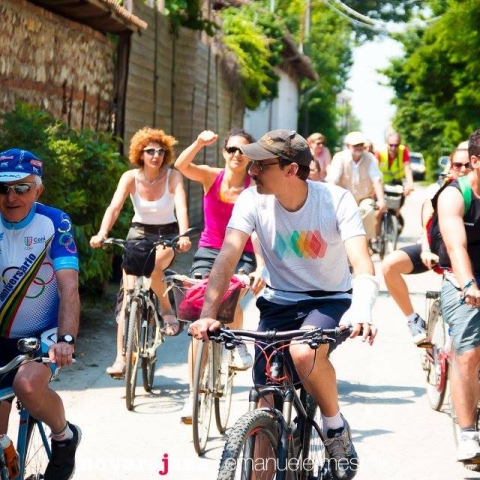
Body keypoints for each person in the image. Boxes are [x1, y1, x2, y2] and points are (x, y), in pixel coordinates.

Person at [188, 129, 379, 480]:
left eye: (261, 164)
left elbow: (363, 265)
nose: (251, 170)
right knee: (265, 400)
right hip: (277, 301)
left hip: (329, 300)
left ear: (291, 170)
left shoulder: (335, 201)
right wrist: (208, 315)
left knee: (304, 353)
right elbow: (226, 258)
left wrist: (362, 309)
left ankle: (335, 429)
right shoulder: (251, 200)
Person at [173, 129, 265, 423]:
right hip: (210, 251)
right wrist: (199, 142)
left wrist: (261, 267)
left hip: (244, 252)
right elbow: (181, 167)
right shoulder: (211, 177)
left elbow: (261, 230)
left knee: (232, 291)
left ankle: (236, 341)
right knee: (200, 322)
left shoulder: (256, 187)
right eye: (232, 150)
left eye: (244, 151)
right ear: (225, 152)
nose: (237, 155)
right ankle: (192, 396)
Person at [0, 149, 81, 480]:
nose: (10, 197)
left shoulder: (54, 221)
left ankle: (64, 437)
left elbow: (69, 288)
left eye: (21, 188)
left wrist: (65, 340)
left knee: (27, 385)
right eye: (3, 188)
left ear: (38, 190)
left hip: (41, 335)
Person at [90, 127, 191, 377]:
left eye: (160, 151)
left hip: (166, 235)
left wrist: (185, 235)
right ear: (140, 154)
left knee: (155, 266)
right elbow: (114, 208)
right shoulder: (130, 177)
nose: (155, 155)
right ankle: (121, 359)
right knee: (128, 298)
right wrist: (102, 233)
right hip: (137, 235)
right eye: (150, 151)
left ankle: (167, 310)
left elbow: (181, 206)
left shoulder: (173, 177)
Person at [382, 145, 471, 345]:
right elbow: (426, 225)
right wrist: (426, 250)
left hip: (465, 257)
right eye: (458, 165)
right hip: (436, 251)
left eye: (468, 165)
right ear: (450, 166)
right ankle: (413, 321)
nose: (463, 169)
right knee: (389, 265)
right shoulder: (438, 189)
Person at [437, 129, 480, 463]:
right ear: (475, 162)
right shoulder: (454, 195)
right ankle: (467, 433)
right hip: (461, 279)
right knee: (469, 352)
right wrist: (469, 285)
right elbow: (456, 246)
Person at [326, 131, 386, 246]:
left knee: (368, 210)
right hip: (344, 198)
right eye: (355, 145)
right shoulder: (340, 158)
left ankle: (365, 242)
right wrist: (330, 199)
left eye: (361, 145)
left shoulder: (370, 158)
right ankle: (345, 244)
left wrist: (381, 200)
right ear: (348, 146)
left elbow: (376, 180)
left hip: (364, 197)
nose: (359, 148)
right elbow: (332, 179)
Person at [375, 131, 414, 195]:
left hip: (397, 183)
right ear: (386, 143)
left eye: (396, 145)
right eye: (391, 145)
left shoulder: (404, 150)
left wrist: (410, 184)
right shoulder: (379, 151)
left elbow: (408, 169)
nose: (393, 148)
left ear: (400, 144)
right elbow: (374, 169)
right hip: (382, 183)